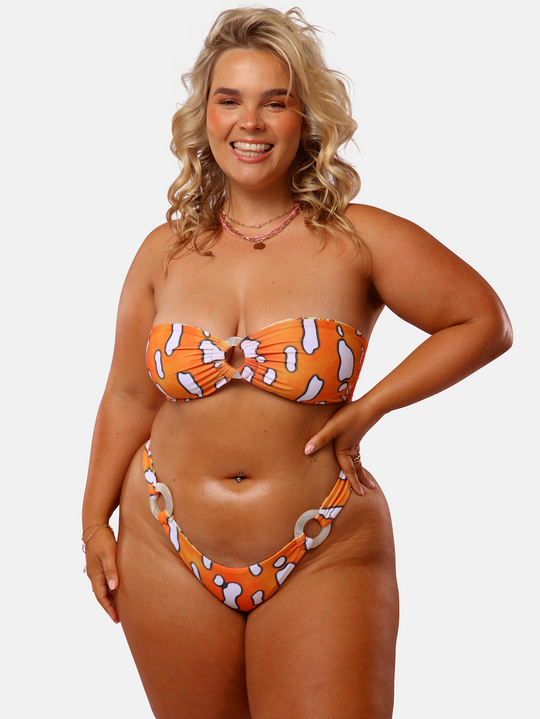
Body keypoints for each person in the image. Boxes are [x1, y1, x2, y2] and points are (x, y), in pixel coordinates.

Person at [82, 7, 512, 718]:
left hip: (323, 541)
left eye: (274, 102)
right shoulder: (164, 251)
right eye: (229, 100)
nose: (249, 122)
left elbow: (483, 321)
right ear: (205, 114)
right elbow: (129, 395)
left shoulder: (357, 238)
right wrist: (94, 521)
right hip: (163, 539)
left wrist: (368, 408)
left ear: (305, 118)